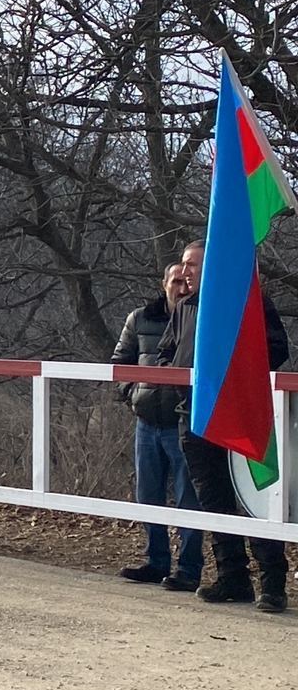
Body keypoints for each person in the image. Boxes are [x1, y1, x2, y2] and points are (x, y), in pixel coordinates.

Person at [157, 239, 289, 612]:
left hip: (242, 417)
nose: (184, 272)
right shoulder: (184, 308)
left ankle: (272, 585)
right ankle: (233, 578)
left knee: (254, 503)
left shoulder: (250, 304)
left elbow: (277, 350)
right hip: (194, 419)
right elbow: (166, 355)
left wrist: (232, 376)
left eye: (193, 265)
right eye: (183, 264)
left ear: (212, 267)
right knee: (214, 503)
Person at [110, 263, 201, 590]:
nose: (181, 287)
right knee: (147, 495)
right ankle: (155, 561)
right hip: (147, 421)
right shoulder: (140, 318)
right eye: (175, 281)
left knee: (187, 497)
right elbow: (119, 363)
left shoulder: (199, 318)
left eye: (185, 282)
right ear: (164, 284)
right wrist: (134, 396)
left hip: (183, 422)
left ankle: (189, 569)